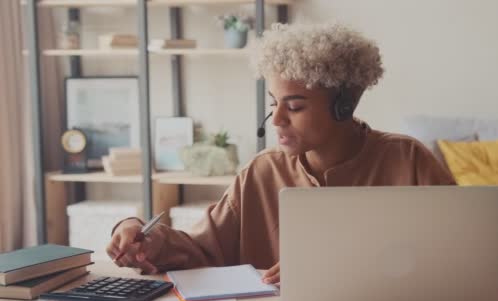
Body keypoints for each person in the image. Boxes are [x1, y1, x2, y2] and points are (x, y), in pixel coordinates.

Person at [106, 22, 455, 284]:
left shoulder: (408, 161)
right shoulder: (262, 172)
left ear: (343, 106)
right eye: (274, 103)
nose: (276, 118)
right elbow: (201, 249)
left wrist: (342, 270)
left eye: (296, 106)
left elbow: (454, 259)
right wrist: (143, 235)